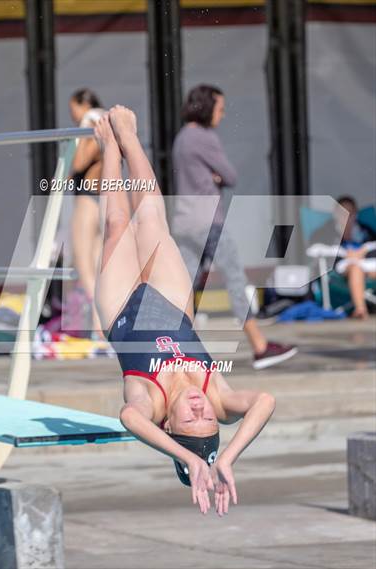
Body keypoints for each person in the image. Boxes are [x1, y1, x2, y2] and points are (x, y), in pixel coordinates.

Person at [93, 105, 277, 516]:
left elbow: (128, 418)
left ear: (170, 427)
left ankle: (108, 144)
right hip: (172, 307)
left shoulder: (149, 404)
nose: (201, 408)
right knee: (152, 219)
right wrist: (225, 457)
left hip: (121, 309)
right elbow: (264, 399)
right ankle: (129, 134)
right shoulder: (218, 393)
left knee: (118, 225)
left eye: (194, 420)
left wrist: (192, 458)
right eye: (211, 418)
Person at [172, 84, 297, 369]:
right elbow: (230, 175)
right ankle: (259, 346)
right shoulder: (204, 137)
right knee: (235, 279)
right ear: (206, 107)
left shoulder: (182, 138)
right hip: (208, 221)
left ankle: (176, 348)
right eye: (220, 108)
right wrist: (216, 177)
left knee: (183, 286)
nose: (223, 114)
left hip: (184, 221)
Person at [68, 88, 105, 335]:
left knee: (85, 268)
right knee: (98, 267)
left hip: (88, 199)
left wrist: (83, 130)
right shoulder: (107, 123)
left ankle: (99, 327)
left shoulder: (92, 122)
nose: (72, 114)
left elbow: (80, 162)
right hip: (103, 199)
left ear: (83, 104)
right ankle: (100, 327)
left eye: (73, 108)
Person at [332, 196, 376, 319]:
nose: (346, 217)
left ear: (356, 214)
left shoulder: (364, 230)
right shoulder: (327, 230)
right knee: (356, 268)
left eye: (350, 213)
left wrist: (364, 249)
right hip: (344, 266)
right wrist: (346, 253)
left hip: (367, 264)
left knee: (361, 266)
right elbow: (316, 248)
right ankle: (361, 309)